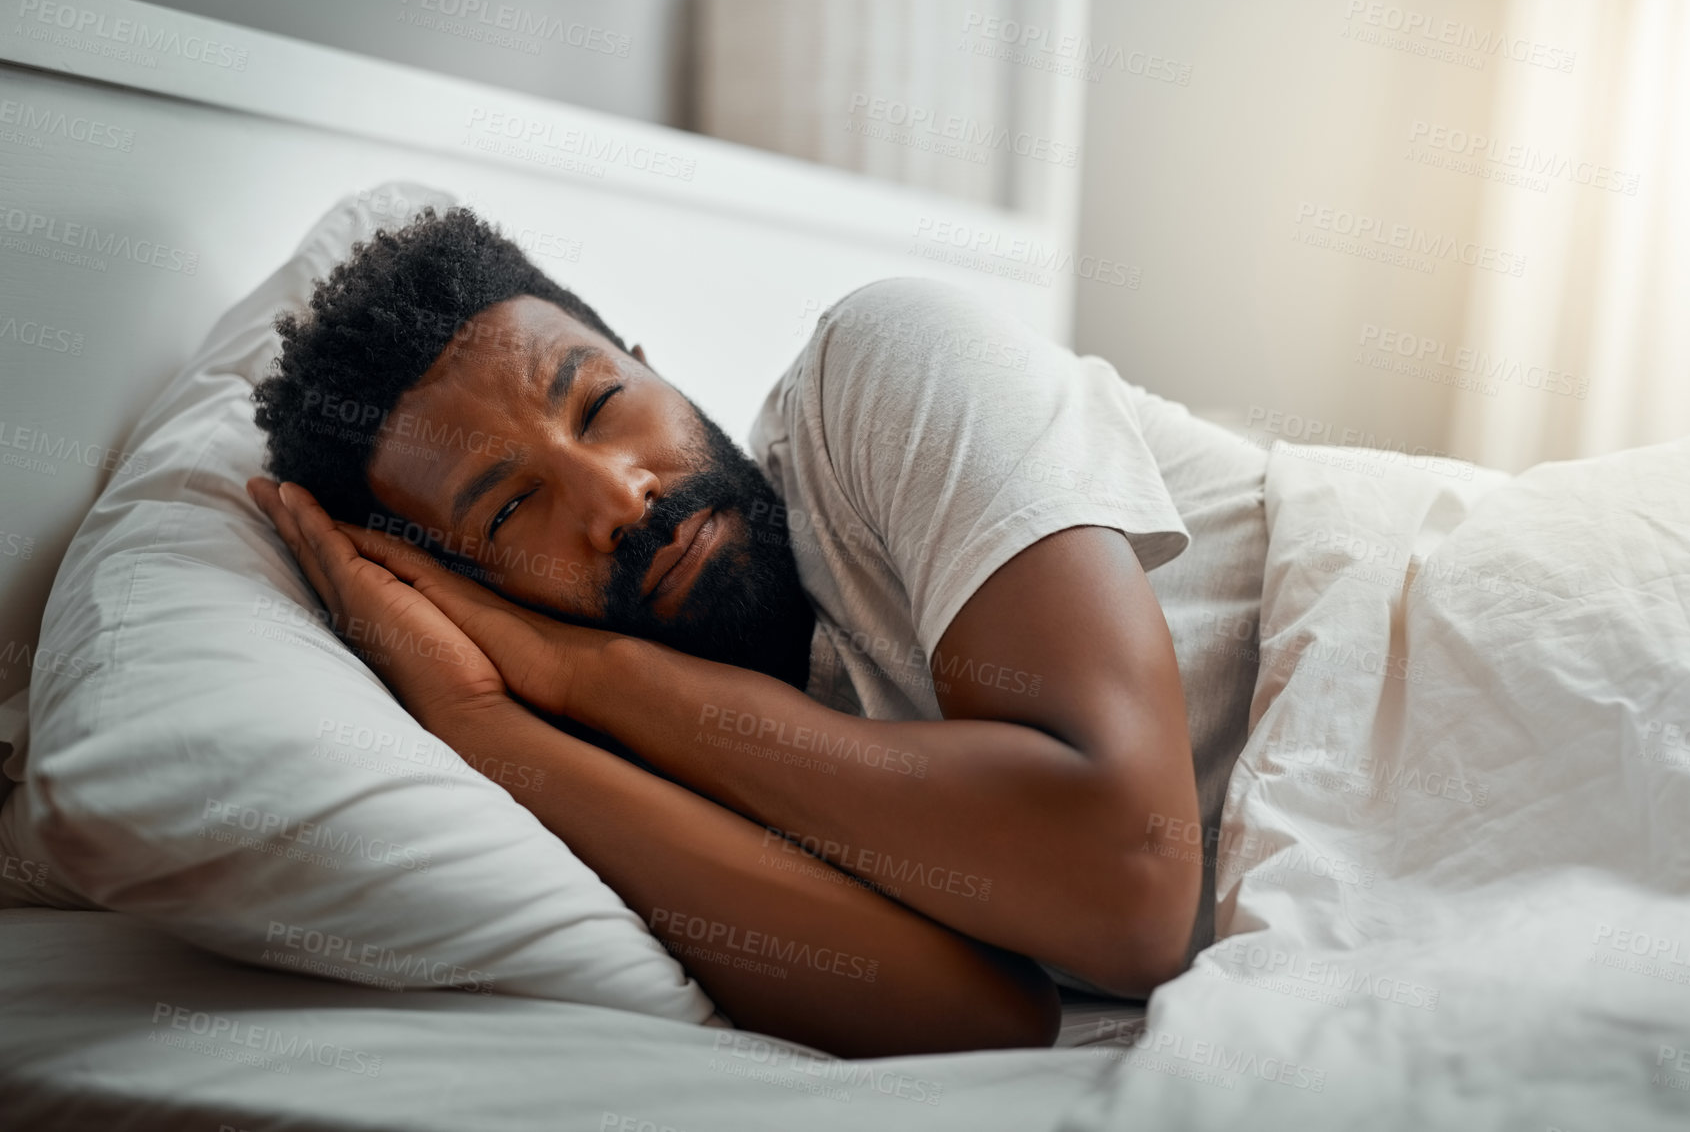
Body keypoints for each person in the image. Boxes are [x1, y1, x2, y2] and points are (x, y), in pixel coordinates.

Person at [245, 206, 1269, 1058]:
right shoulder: (646, 765)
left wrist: (584, 673)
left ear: (657, 370)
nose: (616, 494)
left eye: (602, 402)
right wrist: (489, 727)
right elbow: (979, 1022)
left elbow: (1125, 884)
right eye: (510, 511)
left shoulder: (886, 368)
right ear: (467, 587)